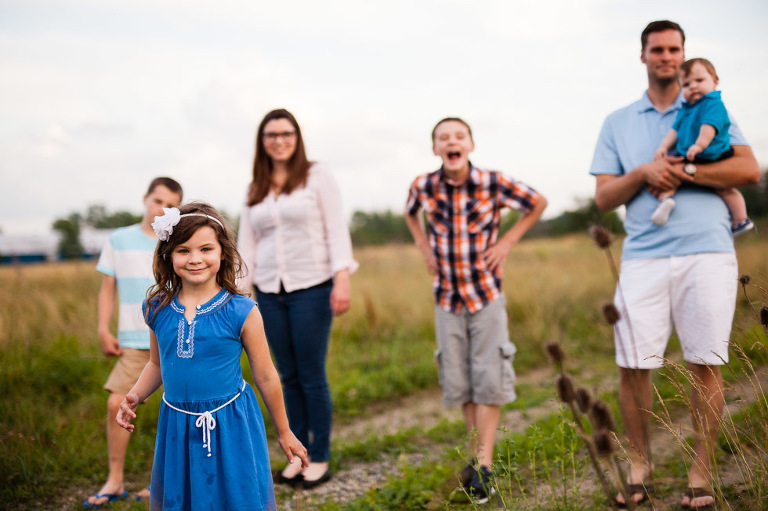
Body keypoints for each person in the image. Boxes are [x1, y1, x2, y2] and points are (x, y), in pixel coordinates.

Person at [590, 20, 760, 509]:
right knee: (631, 364)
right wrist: (644, 172)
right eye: (657, 49)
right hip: (643, 255)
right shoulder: (618, 122)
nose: (666, 56)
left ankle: (701, 470)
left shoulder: (710, 106)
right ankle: (639, 463)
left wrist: (684, 170)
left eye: (674, 49)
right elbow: (603, 197)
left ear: (684, 55)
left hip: (707, 250)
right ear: (642, 55)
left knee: (704, 362)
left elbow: (747, 169)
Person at [116, 202, 309, 511]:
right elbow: (156, 364)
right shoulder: (156, 308)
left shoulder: (242, 311)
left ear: (222, 253)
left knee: (234, 498)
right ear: (168, 255)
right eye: (183, 250)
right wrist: (135, 395)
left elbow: (266, 375)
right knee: (185, 499)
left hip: (231, 423)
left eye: (206, 249)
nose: (195, 259)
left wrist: (284, 431)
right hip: (177, 425)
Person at [405, 117, 547, 504]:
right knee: (461, 379)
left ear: (470, 144)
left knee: (488, 375)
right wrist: (423, 245)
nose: (451, 142)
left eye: (458, 136)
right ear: (436, 148)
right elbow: (409, 212)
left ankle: (483, 465)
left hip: (485, 294)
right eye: (443, 138)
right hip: (446, 297)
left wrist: (508, 241)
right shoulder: (424, 186)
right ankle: (476, 459)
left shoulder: (493, 182)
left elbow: (537, 203)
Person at [237, 108, 358, 489]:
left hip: (313, 286)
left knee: (311, 375)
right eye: (271, 134)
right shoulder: (255, 186)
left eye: (286, 133)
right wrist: (241, 291)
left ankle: (319, 455)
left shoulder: (316, 175)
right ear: (262, 140)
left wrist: (342, 279)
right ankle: (298, 454)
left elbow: (336, 228)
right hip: (270, 292)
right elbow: (248, 242)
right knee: (286, 375)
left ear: (297, 136)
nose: (279, 139)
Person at [85, 177, 183, 508]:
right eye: (158, 201)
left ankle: (166, 482)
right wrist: (103, 328)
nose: (162, 208)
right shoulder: (118, 239)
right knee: (117, 403)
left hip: (172, 340)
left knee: (178, 409)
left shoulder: (174, 242)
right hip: (133, 340)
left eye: (171, 204)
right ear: (145, 199)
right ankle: (115, 480)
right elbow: (107, 288)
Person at [651, 57, 753, 235]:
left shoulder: (713, 103)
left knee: (725, 189)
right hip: (692, 155)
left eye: (699, 80)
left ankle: (741, 219)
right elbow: (675, 130)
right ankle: (665, 201)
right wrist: (663, 147)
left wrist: (699, 145)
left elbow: (710, 126)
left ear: (714, 82)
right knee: (668, 173)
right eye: (686, 84)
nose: (693, 87)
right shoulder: (687, 108)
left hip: (713, 154)